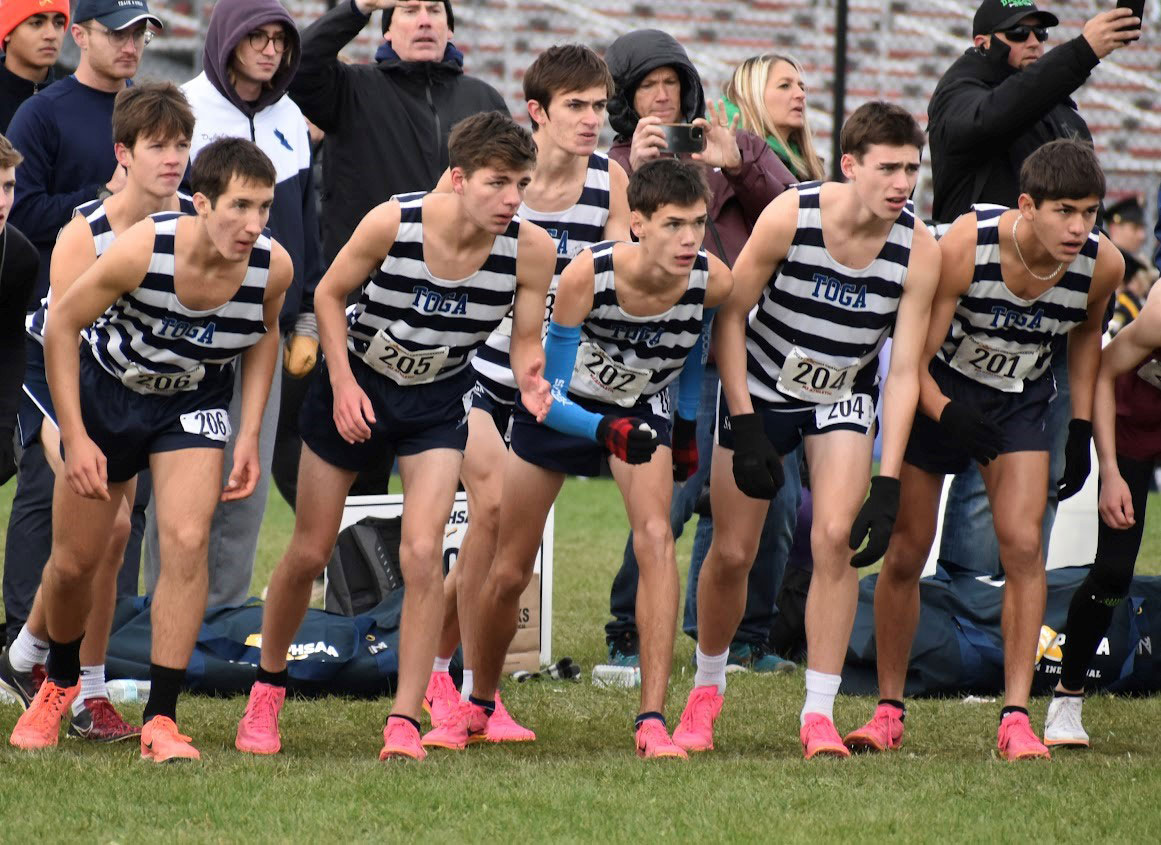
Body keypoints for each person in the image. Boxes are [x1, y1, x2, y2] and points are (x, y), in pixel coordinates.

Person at [233, 111, 555, 762]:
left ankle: (404, 717)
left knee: (423, 551)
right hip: (357, 384)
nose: (512, 199)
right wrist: (343, 384)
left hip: (437, 401)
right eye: (497, 182)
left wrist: (532, 380)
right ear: (458, 179)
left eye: (521, 183)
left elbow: (525, 341)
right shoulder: (395, 221)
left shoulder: (531, 249)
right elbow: (328, 295)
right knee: (309, 550)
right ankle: (266, 689)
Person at [671, 102, 940, 760]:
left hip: (840, 397)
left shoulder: (919, 247)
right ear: (849, 165)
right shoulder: (794, 213)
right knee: (734, 551)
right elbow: (730, 317)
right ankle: (706, 689)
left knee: (835, 541)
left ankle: (818, 712)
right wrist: (743, 421)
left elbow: (905, 371)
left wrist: (887, 479)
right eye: (888, 168)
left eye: (911, 169)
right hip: (761, 389)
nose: (902, 183)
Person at [10, 138, 292, 762]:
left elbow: (265, 332)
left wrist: (248, 432)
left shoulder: (273, 266)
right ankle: (59, 682)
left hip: (191, 402)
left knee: (187, 541)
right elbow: (62, 325)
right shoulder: (145, 246)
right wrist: (74, 434)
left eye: (265, 207)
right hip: (109, 397)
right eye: (240, 206)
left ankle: (162, 717)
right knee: (76, 562)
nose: (253, 224)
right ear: (201, 203)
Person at [847, 140, 1121, 761]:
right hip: (940, 392)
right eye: (1065, 211)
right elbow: (912, 360)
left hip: (1020, 401)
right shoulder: (970, 244)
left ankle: (1015, 716)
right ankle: (888, 711)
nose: (1078, 227)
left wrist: (1079, 426)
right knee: (906, 551)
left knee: (1023, 548)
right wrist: (948, 413)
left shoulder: (1101, 264)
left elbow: (1086, 337)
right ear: (1027, 205)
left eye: (1089, 212)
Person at [461, 158, 730, 759]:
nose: (688, 238)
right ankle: (479, 702)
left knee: (656, 539)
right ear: (638, 224)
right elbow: (549, 399)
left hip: (640, 408)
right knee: (510, 569)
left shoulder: (712, 280)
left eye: (697, 223)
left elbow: (692, 348)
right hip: (567, 410)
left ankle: (652, 720)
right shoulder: (588, 275)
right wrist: (606, 430)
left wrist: (687, 427)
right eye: (672, 224)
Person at [421, 45, 629, 740]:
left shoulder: (609, 180)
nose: (592, 119)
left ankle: (465, 684)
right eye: (576, 105)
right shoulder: (498, 175)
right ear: (536, 111)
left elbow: (617, 276)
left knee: (510, 552)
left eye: (599, 106)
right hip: (477, 372)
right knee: (489, 510)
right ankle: (446, 680)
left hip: (550, 385)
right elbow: (437, 255)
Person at [0, 83, 195, 743]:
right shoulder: (87, 232)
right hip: (61, 378)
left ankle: (69, 678)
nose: (172, 158)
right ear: (124, 154)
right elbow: (59, 339)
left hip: (135, 391)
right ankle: (51, 667)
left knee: (113, 538)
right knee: (96, 536)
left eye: (181, 145)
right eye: (157, 145)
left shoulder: (197, 219)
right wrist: (71, 431)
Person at [599, 29, 799, 669]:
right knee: (670, 498)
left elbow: (794, 213)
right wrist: (637, 169)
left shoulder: (731, 146)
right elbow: (615, 246)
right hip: (670, 354)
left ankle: (744, 638)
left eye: (672, 83)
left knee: (770, 497)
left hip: (747, 347)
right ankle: (628, 631)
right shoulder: (616, 162)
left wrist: (738, 159)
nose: (663, 96)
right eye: (648, 86)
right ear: (626, 99)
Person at [927, 0, 1137, 579]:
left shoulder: (1059, 108)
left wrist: (1081, 427)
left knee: (1047, 471)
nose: (1035, 43)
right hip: (975, 316)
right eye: (1019, 34)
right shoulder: (962, 90)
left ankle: (1016, 596)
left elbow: (1082, 207)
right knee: (980, 470)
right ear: (983, 43)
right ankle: (968, 596)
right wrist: (1083, 51)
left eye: (1042, 33)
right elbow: (997, 115)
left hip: (1054, 316)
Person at [141, 0, 324, 608]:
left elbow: (305, 222)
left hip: (265, 326)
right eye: (256, 38)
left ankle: (221, 620)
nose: (270, 50)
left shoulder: (291, 115)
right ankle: (165, 617)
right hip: (189, 327)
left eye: (279, 40)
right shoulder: (185, 108)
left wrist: (303, 315)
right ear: (227, 39)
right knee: (180, 488)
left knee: (246, 483)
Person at [2, 0, 160, 650]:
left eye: (140, 33)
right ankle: (22, 638)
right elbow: (20, 213)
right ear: (81, 35)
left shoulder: (152, 111)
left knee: (131, 500)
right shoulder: (44, 113)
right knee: (51, 484)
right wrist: (107, 197)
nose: (130, 45)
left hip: (137, 334)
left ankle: (110, 641)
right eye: (117, 32)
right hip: (58, 329)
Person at [288, 0, 508, 263]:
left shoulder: (484, 99)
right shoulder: (350, 89)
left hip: (462, 272)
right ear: (388, 31)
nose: (424, 21)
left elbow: (509, 182)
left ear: (449, 29)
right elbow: (297, 66)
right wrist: (359, 8)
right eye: (410, 11)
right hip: (370, 274)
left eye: (434, 11)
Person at [1044, 278, 1161, 748]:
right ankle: (1067, 696)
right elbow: (1104, 372)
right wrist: (1109, 471)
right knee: (1113, 574)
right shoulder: (1158, 316)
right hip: (1135, 424)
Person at [0, 133, 38, 488]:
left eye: (8, 187)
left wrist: (3, 425)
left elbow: (10, 344)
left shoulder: (18, 256)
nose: (2, 201)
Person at [723, 52, 825, 183]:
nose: (801, 94)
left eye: (801, 87)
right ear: (753, 96)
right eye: (785, 85)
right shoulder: (728, 162)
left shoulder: (806, 165)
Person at [0, 0, 70, 131]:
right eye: (37, 23)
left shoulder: (71, 103)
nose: (51, 35)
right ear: (8, 31)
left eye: (58, 23)